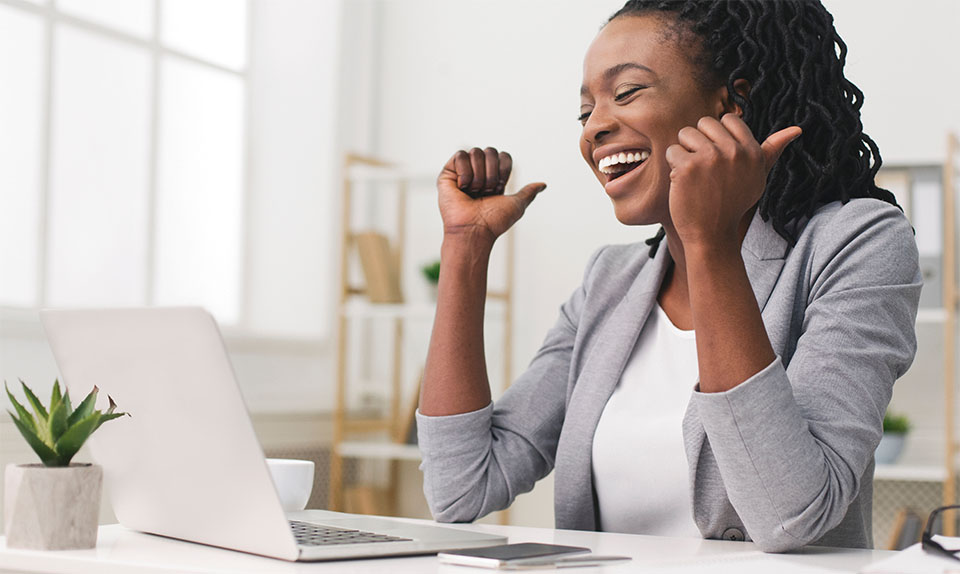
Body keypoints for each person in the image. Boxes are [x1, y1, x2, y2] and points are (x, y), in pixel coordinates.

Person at [415, 0, 922, 553]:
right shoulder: (610, 282)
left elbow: (791, 514)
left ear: (734, 102)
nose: (596, 128)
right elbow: (460, 489)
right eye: (586, 112)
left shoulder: (858, 242)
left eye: (627, 92)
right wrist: (465, 248)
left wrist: (709, 240)